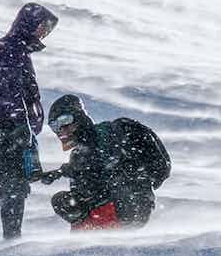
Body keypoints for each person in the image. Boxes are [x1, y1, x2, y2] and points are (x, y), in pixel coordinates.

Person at [0, 2, 57, 242]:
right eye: (42, 27)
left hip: (9, 132)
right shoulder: (9, 48)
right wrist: (20, 124)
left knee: (7, 189)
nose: (44, 33)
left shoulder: (17, 49)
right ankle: (0, 241)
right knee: (6, 189)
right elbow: (8, 90)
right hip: (4, 133)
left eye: (47, 29)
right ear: (30, 24)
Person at [40, 95, 171, 229]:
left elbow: (158, 166)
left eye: (65, 120)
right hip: (102, 215)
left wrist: (137, 177)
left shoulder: (113, 132)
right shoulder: (77, 156)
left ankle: (109, 231)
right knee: (61, 201)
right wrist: (64, 172)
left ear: (79, 116)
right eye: (55, 126)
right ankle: (88, 239)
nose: (62, 129)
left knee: (114, 180)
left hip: (130, 206)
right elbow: (85, 185)